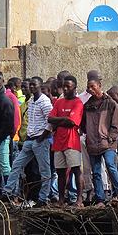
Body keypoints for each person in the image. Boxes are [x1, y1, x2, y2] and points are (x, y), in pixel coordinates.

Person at [4, 77, 53, 207]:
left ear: (39, 86)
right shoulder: (31, 101)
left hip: (40, 140)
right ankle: (7, 192)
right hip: (29, 140)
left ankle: (43, 198)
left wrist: (42, 137)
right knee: (16, 165)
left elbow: (50, 122)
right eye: (30, 85)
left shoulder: (45, 101)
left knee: (44, 171)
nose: (31, 87)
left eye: (34, 85)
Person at [82, 77, 118, 206]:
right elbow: (83, 124)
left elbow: (116, 124)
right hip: (93, 142)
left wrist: (111, 137)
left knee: (111, 165)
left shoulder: (110, 104)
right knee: (96, 171)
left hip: (108, 142)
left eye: (93, 86)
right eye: (88, 87)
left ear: (99, 85)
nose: (90, 89)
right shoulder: (87, 105)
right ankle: (100, 198)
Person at [49, 75, 84, 207]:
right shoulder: (59, 102)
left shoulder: (78, 102)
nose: (65, 89)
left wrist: (59, 120)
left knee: (76, 170)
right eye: (63, 86)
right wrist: (64, 119)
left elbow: (72, 122)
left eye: (68, 87)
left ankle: (79, 199)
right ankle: (61, 200)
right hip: (58, 142)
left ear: (74, 87)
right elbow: (50, 118)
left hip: (71, 141)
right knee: (60, 172)